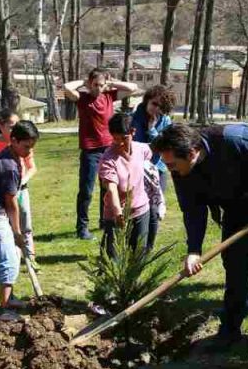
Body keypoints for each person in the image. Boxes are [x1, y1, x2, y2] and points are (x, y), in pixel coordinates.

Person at [151, 122, 248, 351]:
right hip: (231, 203)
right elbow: (193, 210)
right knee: (231, 259)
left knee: (240, 260)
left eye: (172, 164)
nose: (170, 170)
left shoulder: (234, 139)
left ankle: (230, 328)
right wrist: (194, 250)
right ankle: (242, 304)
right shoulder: (181, 169)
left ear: (192, 153)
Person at [63, 67, 139, 240]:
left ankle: (105, 221)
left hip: (109, 148)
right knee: (86, 191)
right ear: (90, 84)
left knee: (108, 188)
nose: (98, 88)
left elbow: (133, 88)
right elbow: (67, 88)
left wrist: (110, 83)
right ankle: (82, 228)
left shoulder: (109, 96)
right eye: (95, 84)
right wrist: (84, 83)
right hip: (90, 150)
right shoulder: (82, 99)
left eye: (101, 85)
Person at [0, 121, 40, 322]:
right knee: (8, 259)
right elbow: (11, 203)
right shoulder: (9, 166)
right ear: (13, 140)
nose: (29, 150)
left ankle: (10, 298)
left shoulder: (13, 156)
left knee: (12, 257)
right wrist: (17, 232)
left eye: (32, 146)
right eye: (26, 146)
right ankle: (5, 310)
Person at [98, 112, 154, 258]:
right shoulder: (108, 158)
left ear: (133, 132)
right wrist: (118, 212)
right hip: (117, 215)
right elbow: (111, 187)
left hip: (141, 211)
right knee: (112, 259)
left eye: (123, 138)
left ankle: (134, 281)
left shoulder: (142, 149)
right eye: (115, 139)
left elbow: (151, 160)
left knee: (138, 256)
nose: (119, 143)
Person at [131, 84, 174, 251]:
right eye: (154, 104)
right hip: (138, 168)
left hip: (158, 168)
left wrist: (152, 130)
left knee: (154, 208)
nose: (156, 109)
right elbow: (139, 147)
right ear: (147, 100)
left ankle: (148, 248)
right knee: (140, 208)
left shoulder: (165, 121)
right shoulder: (135, 118)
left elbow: (162, 146)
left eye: (161, 107)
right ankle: (136, 246)